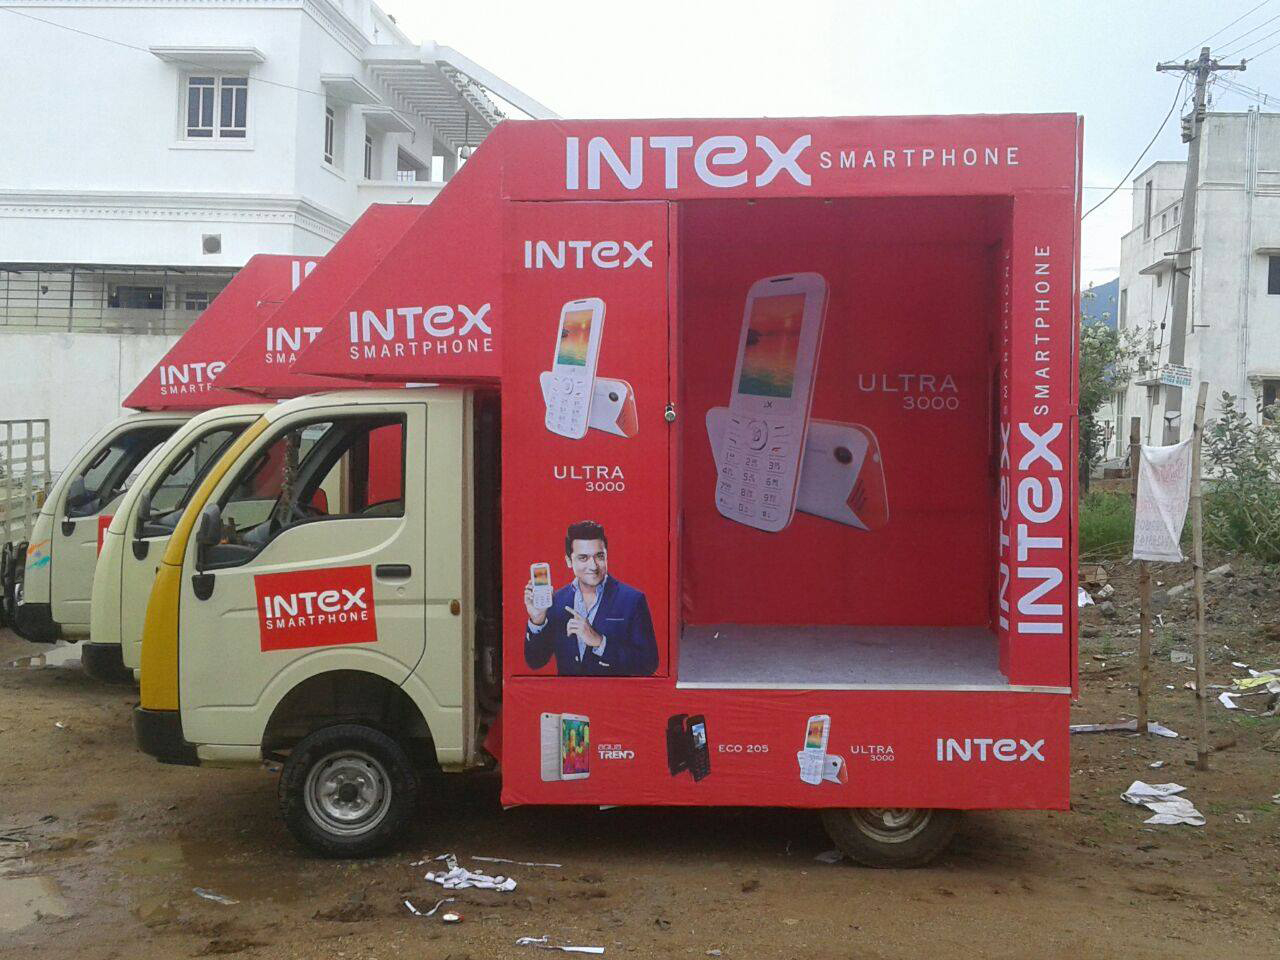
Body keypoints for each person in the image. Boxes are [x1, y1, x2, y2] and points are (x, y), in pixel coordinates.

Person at [523, 520, 658, 676]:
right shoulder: (556, 601)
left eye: (599, 556)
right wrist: (537, 620)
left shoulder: (632, 600)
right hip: (568, 692)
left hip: (612, 692)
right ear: (568, 561)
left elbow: (649, 664)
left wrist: (600, 642)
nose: (593, 566)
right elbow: (535, 661)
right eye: (583, 558)